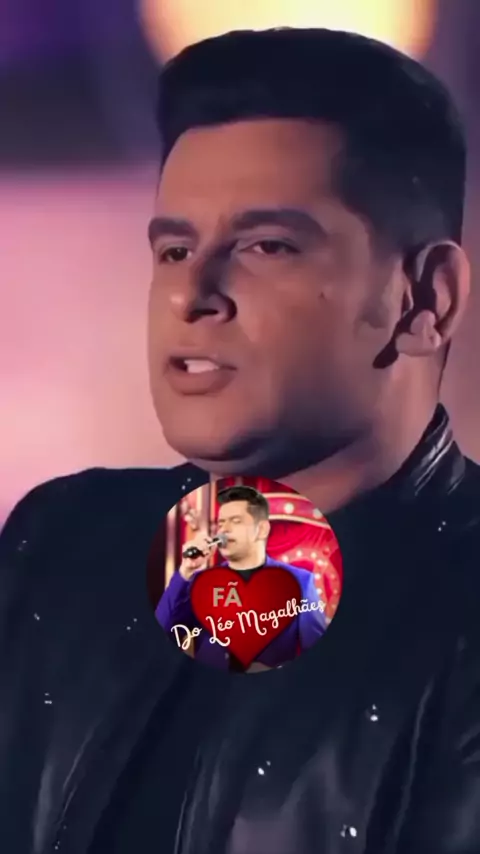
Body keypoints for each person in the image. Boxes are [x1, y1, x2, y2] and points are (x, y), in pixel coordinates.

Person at [1, 26, 479, 854]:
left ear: (424, 298)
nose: (191, 293)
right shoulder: (62, 543)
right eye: (175, 247)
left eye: (266, 246)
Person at [156, 485, 326, 669]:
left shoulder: (301, 582)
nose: (224, 530)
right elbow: (162, 631)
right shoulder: (200, 583)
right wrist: (186, 571)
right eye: (221, 523)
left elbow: (317, 657)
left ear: (261, 529)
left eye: (235, 521)